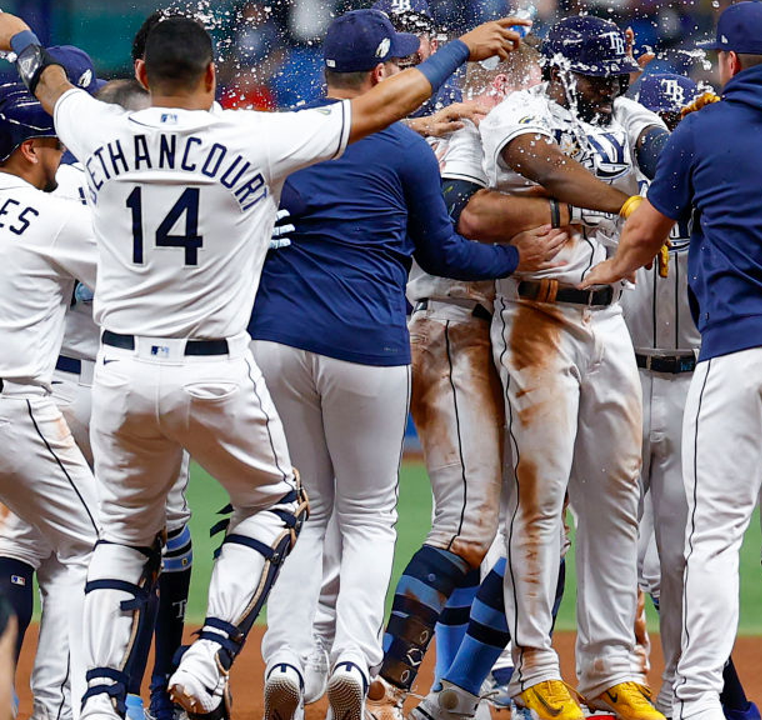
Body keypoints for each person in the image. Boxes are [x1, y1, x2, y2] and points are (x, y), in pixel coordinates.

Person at [0, 7, 524, 717]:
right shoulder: (253, 136)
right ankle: (215, 655)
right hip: (217, 369)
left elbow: (57, 87)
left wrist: (24, 43)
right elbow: (383, 107)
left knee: (120, 542)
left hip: (119, 371)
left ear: (145, 75)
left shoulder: (98, 127)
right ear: (213, 76)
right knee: (282, 505)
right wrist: (459, 49)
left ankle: (98, 699)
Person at [254, 11, 563, 720]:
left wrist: (426, 128)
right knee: (367, 517)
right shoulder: (402, 151)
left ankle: (288, 659)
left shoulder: (278, 133)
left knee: (303, 510)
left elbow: (343, 148)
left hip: (274, 340)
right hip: (366, 344)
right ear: (385, 76)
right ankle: (356, 667)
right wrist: (514, 259)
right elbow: (444, 255)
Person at [582, 4, 762, 720]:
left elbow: (645, 233)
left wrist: (600, 274)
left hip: (740, 348)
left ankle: (697, 698)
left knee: (713, 535)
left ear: (730, 62)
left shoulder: (703, 130)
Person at [480, 14, 670, 720]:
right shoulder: (521, 108)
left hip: (609, 316)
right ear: (560, 68)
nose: (609, 86)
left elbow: (664, 151)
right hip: (536, 315)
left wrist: (672, 154)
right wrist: (626, 202)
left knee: (617, 496)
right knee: (539, 496)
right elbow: (540, 161)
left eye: (618, 75)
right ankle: (533, 663)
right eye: (598, 74)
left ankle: (610, 667)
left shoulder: (627, 112)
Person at [621, 70, 762, 720]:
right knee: (622, 553)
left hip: (690, 383)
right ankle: (616, 679)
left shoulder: (719, 190)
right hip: (622, 381)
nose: (677, 136)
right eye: (668, 125)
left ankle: (688, 690)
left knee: (679, 557)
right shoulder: (615, 189)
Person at [0, 88, 101, 720]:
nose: (63, 157)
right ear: (30, 148)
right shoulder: (45, 215)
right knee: (93, 547)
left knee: (18, 542)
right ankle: (60, 708)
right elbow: (144, 268)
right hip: (17, 407)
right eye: (56, 146)